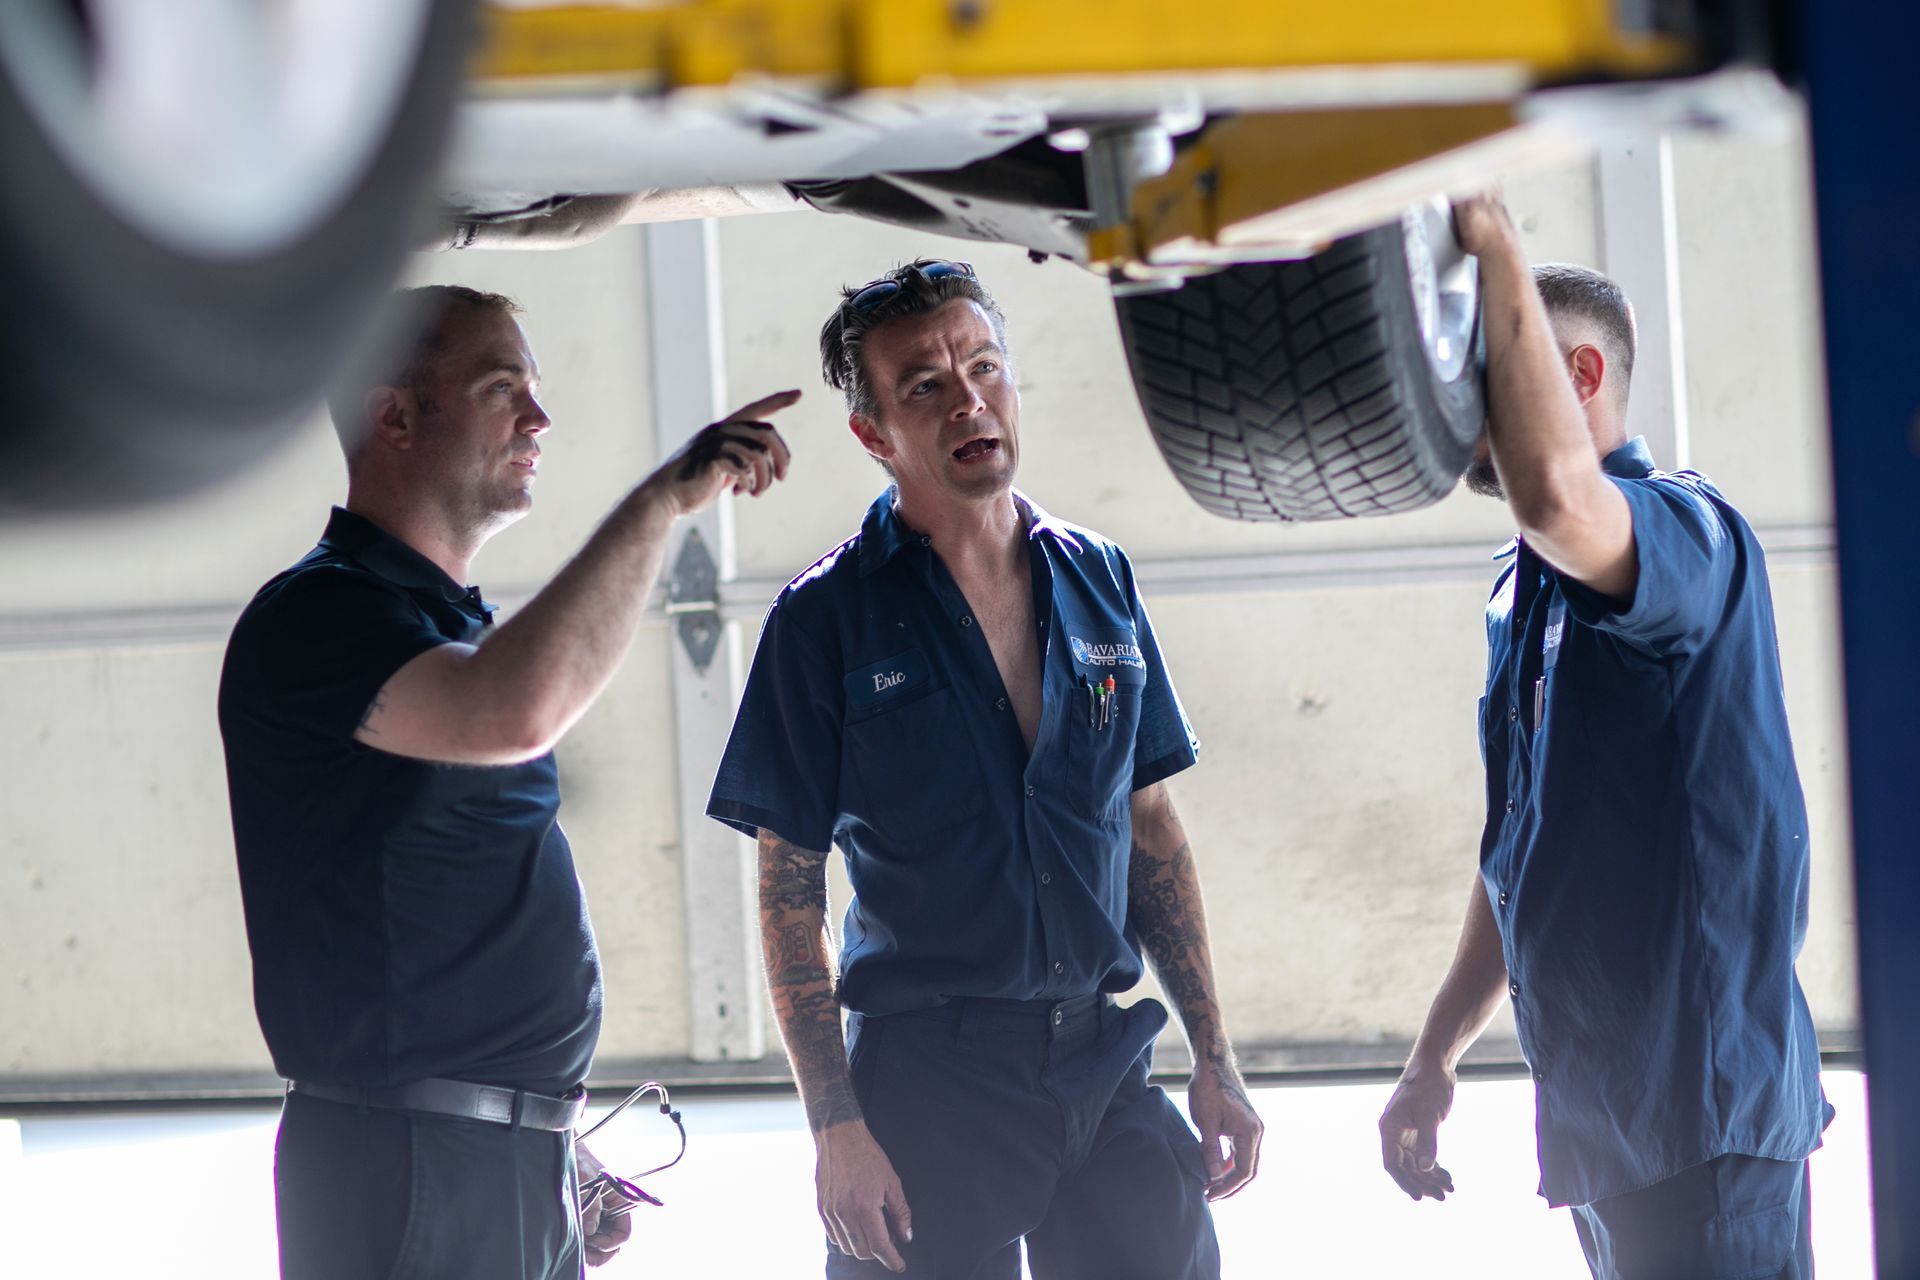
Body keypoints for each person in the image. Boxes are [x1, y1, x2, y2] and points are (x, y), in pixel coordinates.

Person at [218, 284, 797, 1278]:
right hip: (413, 1158)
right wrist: (661, 502)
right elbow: (515, 708)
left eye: (534, 388)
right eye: (501, 388)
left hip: (488, 1153)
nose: (540, 417)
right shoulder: (321, 615)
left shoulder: (439, 628)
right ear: (392, 413)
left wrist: (545, 1134)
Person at [706, 260, 1263, 1278]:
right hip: (930, 1075)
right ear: (874, 433)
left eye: (985, 366)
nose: (969, 400)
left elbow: (1150, 827)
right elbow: (790, 893)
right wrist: (836, 1125)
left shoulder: (1098, 576)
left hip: (1103, 1053)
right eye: (924, 385)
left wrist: (1215, 1058)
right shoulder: (824, 617)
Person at [1377, 196, 1831, 1278]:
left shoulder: (1686, 529)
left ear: (1576, 378)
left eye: (1472, 376)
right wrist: (1433, 1054)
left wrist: (1488, 243)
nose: (1449, 415)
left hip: (1706, 1120)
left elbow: (1555, 491)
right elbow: (1518, 857)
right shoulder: (1520, 592)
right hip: (1607, 1130)